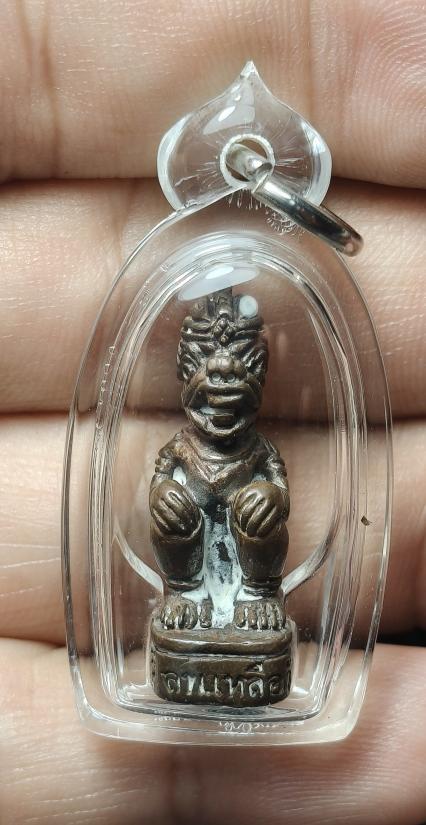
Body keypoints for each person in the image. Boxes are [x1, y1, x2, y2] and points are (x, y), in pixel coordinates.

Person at [0, 1, 425, 823]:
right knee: (178, 524)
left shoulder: (262, 453)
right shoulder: (176, 452)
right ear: (184, 380)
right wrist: (172, 512)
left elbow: (284, 515)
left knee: (260, 532)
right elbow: (151, 517)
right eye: (208, 371)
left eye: (240, 372)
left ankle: (247, 606)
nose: (224, 384)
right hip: (188, 604)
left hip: (255, 610)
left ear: (261, 382)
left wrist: (266, 515)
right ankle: (189, 604)